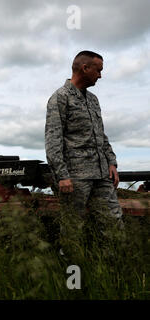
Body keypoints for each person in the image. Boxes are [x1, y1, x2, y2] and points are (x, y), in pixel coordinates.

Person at [45, 50, 123, 249]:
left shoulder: (93, 100)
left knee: (113, 222)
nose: (100, 75)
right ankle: (71, 269)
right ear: (84, 68)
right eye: (98, 70)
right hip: (75, 177)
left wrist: (112, 162)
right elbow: (53, 140)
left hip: (102, 174)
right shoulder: (60, 98)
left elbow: (101, 134)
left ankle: (114, 269)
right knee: (72, 227)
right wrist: (62, 175)